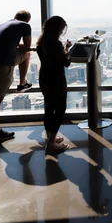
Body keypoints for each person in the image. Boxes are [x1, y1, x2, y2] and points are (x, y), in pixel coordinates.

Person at [0, 10, 33, 144]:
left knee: (26, 56)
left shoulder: (2, 25)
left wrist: (15, 45)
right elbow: (27, 47)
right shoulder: (25, 25)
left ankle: (23, 83)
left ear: (15, 17)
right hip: (3, 63)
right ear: (27, 20)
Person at [36, 16, 72, 154]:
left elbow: (52, 58)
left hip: (45, 77)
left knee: (49, 108)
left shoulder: (41, 42)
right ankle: (51, 144)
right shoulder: (55, 44)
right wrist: (68, 50)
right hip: (56, 79)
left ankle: (50, 137)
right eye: (62, 28)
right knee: (60, 109)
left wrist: (64, 48)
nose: (62, 31)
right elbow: (65, 62)